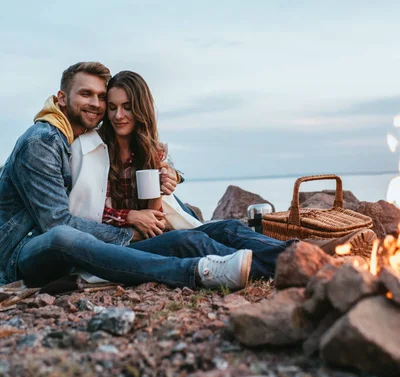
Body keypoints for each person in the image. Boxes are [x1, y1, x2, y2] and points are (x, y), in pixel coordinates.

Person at [70, 69, 377, 280]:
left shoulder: (149, 151)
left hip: (152, 232)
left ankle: (302, 251)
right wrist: (129, 217)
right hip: (121, 245)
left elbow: (157, 215)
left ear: (141, 109)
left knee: (227, 228)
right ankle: (302, 262)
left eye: (126, 107)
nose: (118, 115)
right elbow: (84, 213)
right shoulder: (95, 149)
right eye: (112, 108)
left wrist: (167, 184)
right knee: (193, 242)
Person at [0, 62, 252, 291]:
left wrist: (173, 173)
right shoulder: (42, 142)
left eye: (101, 97)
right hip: (18, 251)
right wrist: (131, 230)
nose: (97, 104)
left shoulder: (75, 138)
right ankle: (196, 271)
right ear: (62, 98)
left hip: (71, 246)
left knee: (195, 235)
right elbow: (57, 222)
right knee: (62, 236)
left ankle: (276, 260)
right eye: (86, 94)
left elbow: (148, 150)